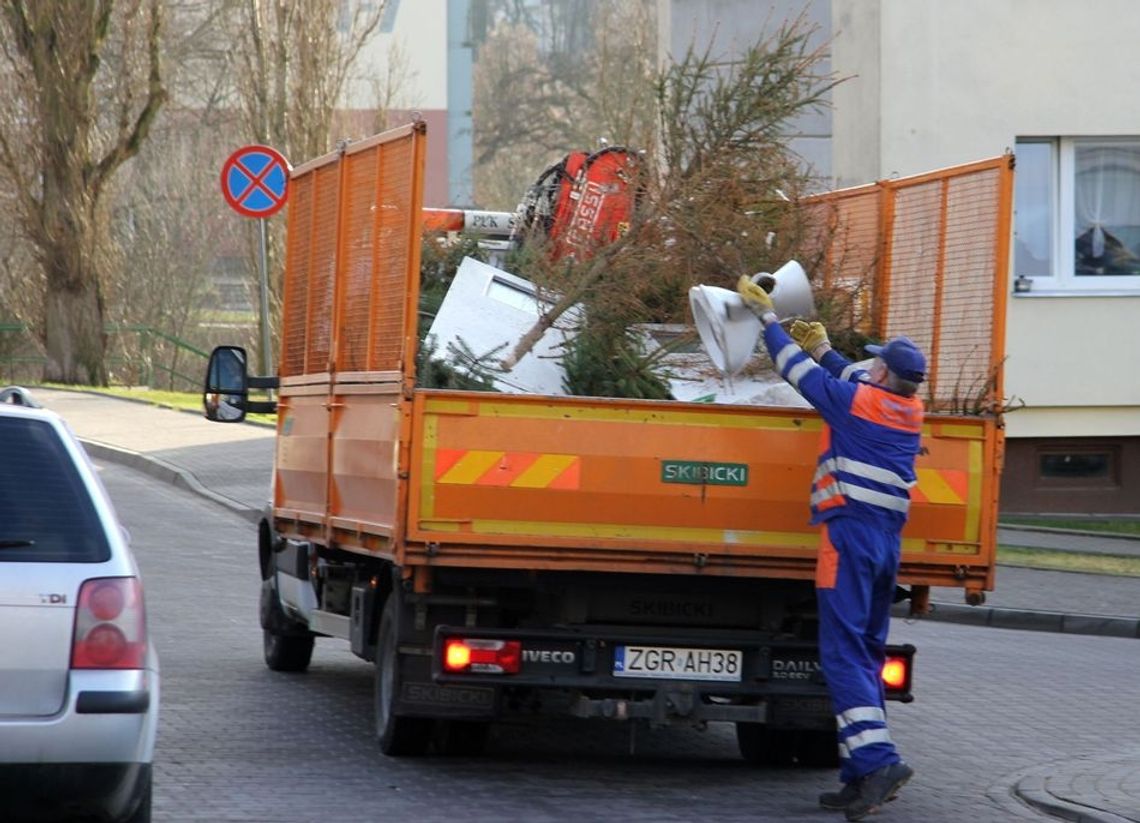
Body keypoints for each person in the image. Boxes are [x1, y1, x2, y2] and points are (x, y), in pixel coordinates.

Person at [736, 275, 923, 821]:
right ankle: (861, 774)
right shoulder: (907, 408)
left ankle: (880, 760)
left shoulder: (854, 404)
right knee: (865, 653)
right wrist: (823, 345)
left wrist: (767, 319)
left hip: (850, 538)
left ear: (883, 374)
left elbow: (799, 375)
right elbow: (847, 374)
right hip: (887, 542)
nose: (869, 369)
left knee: (841, 654)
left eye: (876, 365)